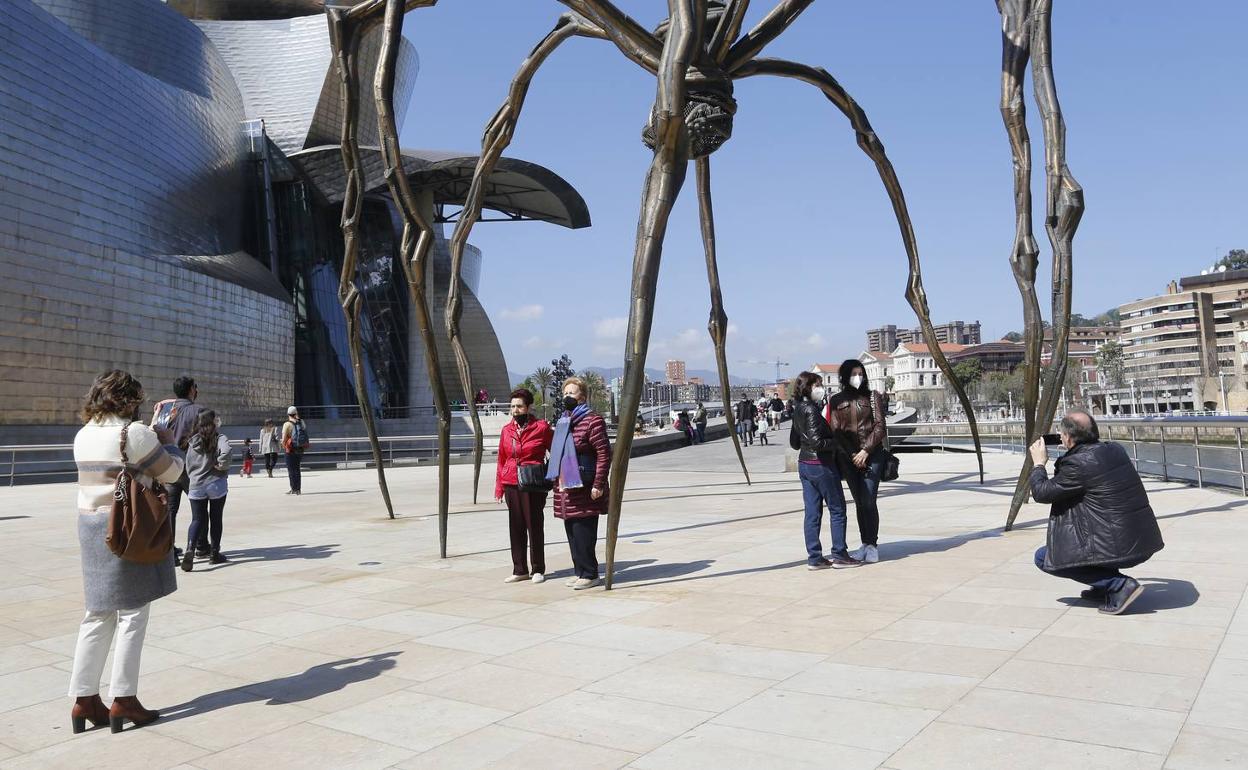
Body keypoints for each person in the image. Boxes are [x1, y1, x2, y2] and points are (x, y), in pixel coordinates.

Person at [70, 370, 185, 733]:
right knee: (132, 614)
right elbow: (171, 473)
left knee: (97, 613)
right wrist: (168, 442)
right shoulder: (132, 433)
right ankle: (124, 699)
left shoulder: (83, 433)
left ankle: (84, 698)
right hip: (126, 527)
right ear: (129, 399)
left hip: (90, 526)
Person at [1028, 410, 1164, 615]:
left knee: (1044, 557)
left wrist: (1039, 464)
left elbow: (1042, 493)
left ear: (1068, 437)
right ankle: (1103, 586)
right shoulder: (1114, 449)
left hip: (1119, 546)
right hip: (1141, 541)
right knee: (1094, 536)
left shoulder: (1078, 463)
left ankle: (1118, 586)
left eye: (1062, 433)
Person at [790, 371, 861, 570]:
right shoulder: (811, 410)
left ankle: (814, 557)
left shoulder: (797, 409)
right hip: (820, 465)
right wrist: (837, 440)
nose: (821, 389)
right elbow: (818, 442)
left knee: (812, 512)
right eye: (818, 385)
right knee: (838, 509)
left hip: (804, 464)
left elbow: (794, 442)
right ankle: (839, 554)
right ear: (808, 388)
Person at [547, 376, 611, 590]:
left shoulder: (593, 421)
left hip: (585, 487)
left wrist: (598, 484)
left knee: (584, 532)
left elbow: (603, 453)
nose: (567, 397)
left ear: (582, 396)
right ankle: (580, 571)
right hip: (566, 487)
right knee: (573, 532)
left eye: (571, 393)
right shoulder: (564, 421)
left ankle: (590, 574)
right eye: (565, 393)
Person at [826, 359, 887, 564]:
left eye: (860, 373)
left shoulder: (872, 396)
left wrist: (865, 451)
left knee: (869, 499)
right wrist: (854, 453)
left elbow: (880, 427)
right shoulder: (835, 400)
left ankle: (873, 544)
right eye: (853, 373)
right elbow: (836, 431)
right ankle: (865, 543)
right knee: (859, 501)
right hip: (849, 457)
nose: (858, 377)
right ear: (845, 376)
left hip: (873, 454)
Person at [495, 388, 555, 584]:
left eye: (519, 406)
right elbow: (502, 460)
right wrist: (499, 488)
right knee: (516, 527)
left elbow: (555, 453)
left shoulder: (541, 427)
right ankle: (519, 569)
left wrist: (553, 476)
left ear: (528, 407)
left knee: (534, 526)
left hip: (532, 481)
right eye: (512, 406)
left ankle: (538, 568)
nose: (515, 410)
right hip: (511, 482)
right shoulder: (506, 430)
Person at [151, 376, 203, 559]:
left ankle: (170, 548)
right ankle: (201, 545)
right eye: (195, 387)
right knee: (199, 506)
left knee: (170, 509)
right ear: (191, 390)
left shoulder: (166, 410)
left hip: (170, 464)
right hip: (192, 466)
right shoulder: (199, 411)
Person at [181, 410, 232, 571]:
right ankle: (214, 554)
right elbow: (227, 451)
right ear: (214, 422)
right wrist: (222, 465)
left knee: (197, 519)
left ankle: (190, 548)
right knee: (216, 518)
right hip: (216, 482)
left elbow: (187, 463)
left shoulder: (192, 441)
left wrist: (193, 476)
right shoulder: (219, 438)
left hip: (196, 484)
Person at [281, 406, 309, 495]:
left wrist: (283, 446)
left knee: (291, 470)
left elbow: (284, 438)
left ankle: (293, 488)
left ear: (288, 414)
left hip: (290, 449)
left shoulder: (287, 424)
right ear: (296, 413)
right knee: (297, 468)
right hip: (300, 448)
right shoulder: (301, 422)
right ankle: (298, 489)